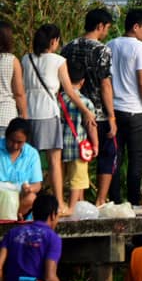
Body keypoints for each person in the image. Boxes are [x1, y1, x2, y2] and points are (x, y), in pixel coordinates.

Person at [23, 23, 97, 205]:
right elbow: (70, 91)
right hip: (48, 113)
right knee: (54, 161)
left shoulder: (26, 59)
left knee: (29, 159)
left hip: (28, 114)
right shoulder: (58, 61)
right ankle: (59, 202)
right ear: (54, 41)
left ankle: (27, 199)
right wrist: (86, 111)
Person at [0, 194, 107, 281]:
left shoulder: (12, 233)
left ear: (34, 214)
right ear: (52, 215)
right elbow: (50, 278)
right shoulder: (52, 238)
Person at [62, 8, 117, 206]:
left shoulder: (68, 47)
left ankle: (78, 201)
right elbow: (105, 84)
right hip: (97, 112)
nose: (107, 32)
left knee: (78, 159)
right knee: (106, 153)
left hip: (69, 109)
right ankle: (100, 201)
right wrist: (111, 117)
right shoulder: (101, 50)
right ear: (100, 26)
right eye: (107, 28)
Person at [106, 9, 142, 204]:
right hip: (135, 110)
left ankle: (115, 199)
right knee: (136, 158)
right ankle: (134, 200)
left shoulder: (110, 44)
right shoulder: (140, 47)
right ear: (136, 27)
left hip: (114, 110)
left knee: (115, 157)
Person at [0, 119, 43, 218]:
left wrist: (29, 189)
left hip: (20, 200)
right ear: (6, 135)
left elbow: (37, 184)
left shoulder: (32, 154)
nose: (15, 146)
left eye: (19, 142)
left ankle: (14, 217)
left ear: (26, 140)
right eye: (12, 140)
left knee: (31, 198)